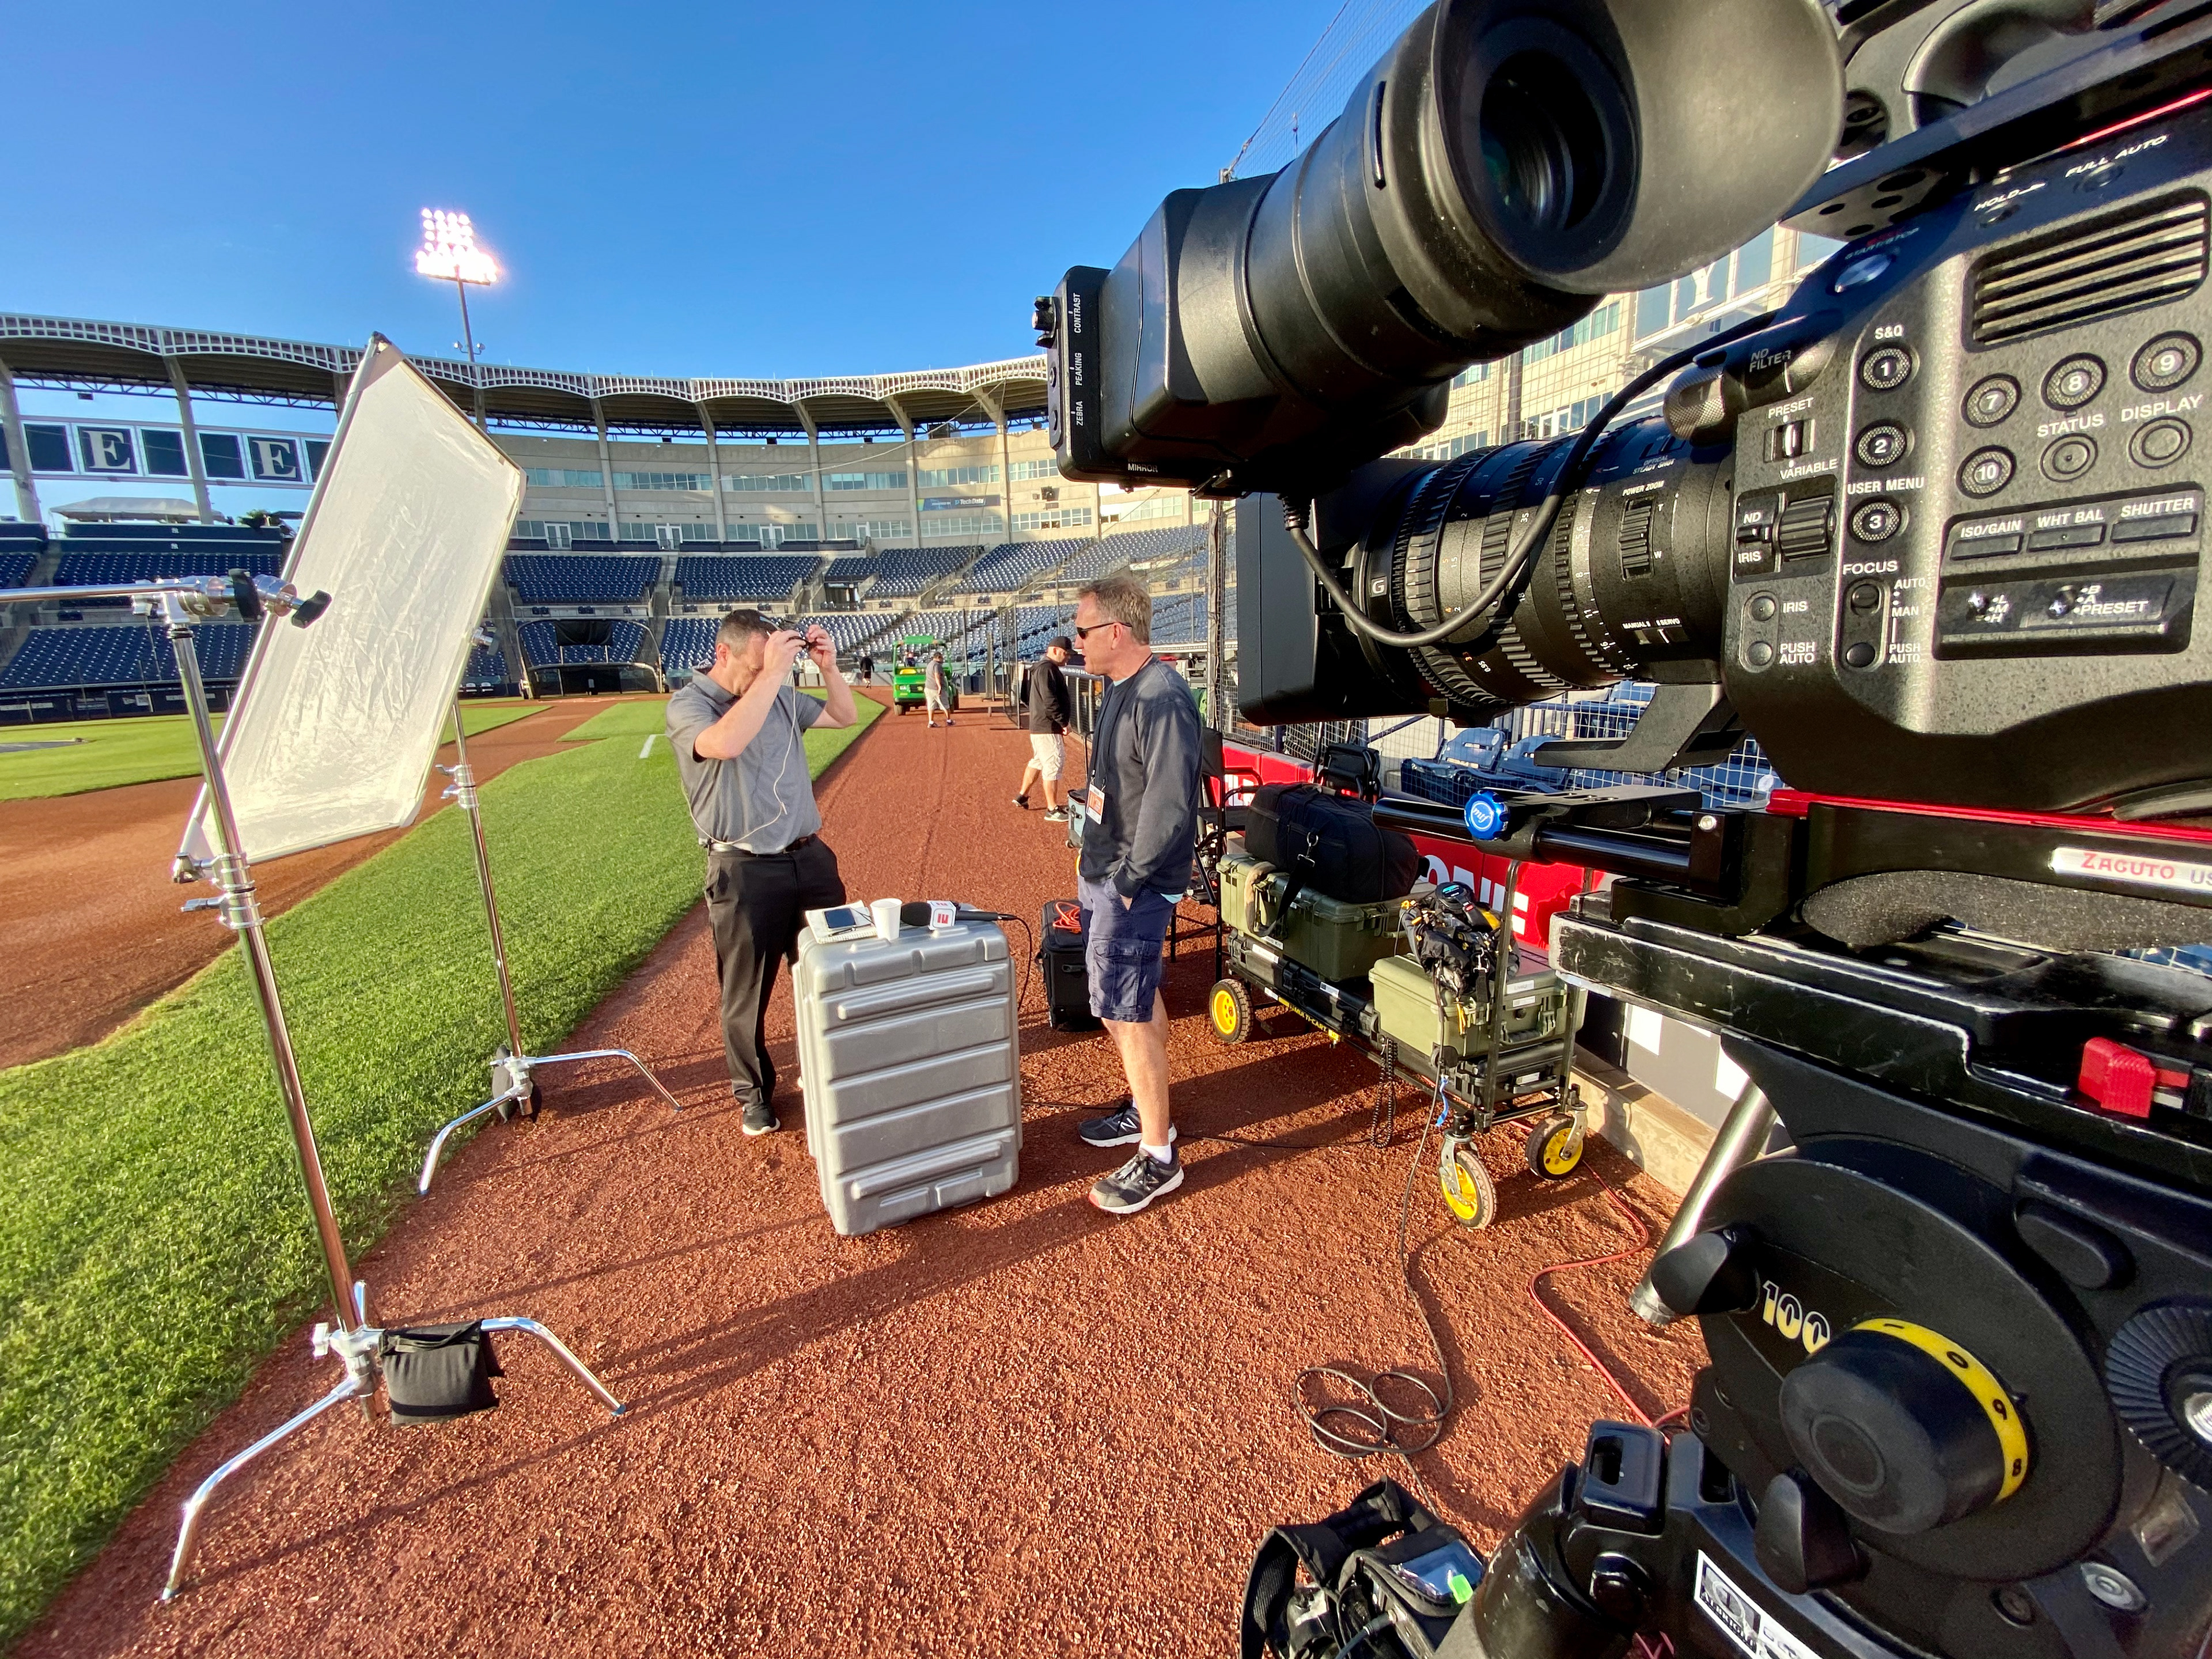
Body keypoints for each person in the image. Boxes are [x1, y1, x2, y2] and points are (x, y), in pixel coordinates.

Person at [666, 609, 856, 1137]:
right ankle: (753, 1095)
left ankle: (829, 1067)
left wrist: (829, 668)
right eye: (755, 664)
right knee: (747, 993)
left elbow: (844, 716)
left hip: (809, 857)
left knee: (832, 970)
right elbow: (725, 744)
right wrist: (771, 673)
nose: (763, 672)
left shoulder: (777, 693)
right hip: (743, 867)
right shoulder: (690, 704)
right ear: (723, 653)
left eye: (768, 665)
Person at [1068, 573, 1201, 1215]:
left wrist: (1125, 881)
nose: (1077, 641)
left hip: (1134, 883)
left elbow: (1170, 806)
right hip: (1106, 869)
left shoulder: (1163, 696)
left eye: (1083, 630)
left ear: (1116, 631)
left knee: (1126, 1008)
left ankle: (1159, 1155)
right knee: (1127, 1000)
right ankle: (1151, 1112)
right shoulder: (1121, 686)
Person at [1013, 635, 1075, 822]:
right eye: (1066, 653)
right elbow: (1050, 700)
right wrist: (1063, 722)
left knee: (1039, 761)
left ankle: (1022, 796)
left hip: (1040, 725)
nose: (1068, 657)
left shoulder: (1042, 668)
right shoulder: (1047, 668)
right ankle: (1052, 809)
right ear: (1055, 650)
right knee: (1053, 763)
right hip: (1048, 726)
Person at [925, 650, 954, 727]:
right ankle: (949, 721)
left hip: (928, 688)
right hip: (936, 689)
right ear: (938, 657)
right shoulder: (937, 665)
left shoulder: (929, 664)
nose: (943, 659)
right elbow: (937, 676)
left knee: (931, 706)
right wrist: (940, 687)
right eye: (941, 658)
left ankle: (931, 722)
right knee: (945, 705)